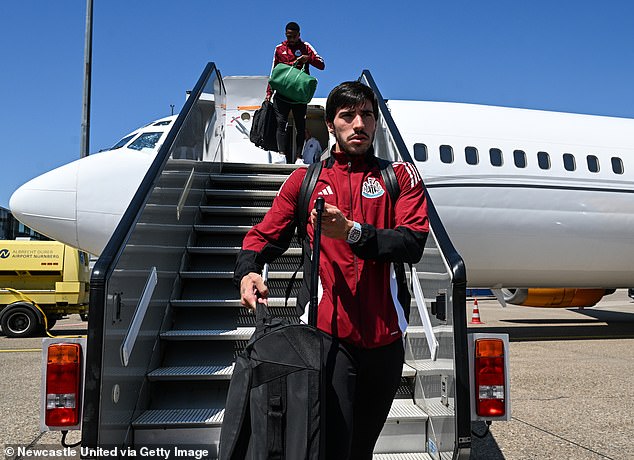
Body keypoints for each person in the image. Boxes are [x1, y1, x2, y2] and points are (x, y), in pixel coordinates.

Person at [234, 81, 429, 459]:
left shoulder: (400, 177)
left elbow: (412, 243)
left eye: (367, 116)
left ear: (376, 124)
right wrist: (248, 270)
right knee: (329, 446)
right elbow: (261, 237)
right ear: (330, 125)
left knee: (361, 447)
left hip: (385, 341)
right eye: (347, 116)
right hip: (326, 341)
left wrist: (353, 232)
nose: (359, 124)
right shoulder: (304, 181)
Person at [266, 21, 325, 163]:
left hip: (298, 95)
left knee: (300, 126)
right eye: (288, 36)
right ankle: (281, 155)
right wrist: (269, 92)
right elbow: (273, 71)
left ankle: (299, 158)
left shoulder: (306, 47)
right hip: (282, 94)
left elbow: (322, 64)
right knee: (281, 124)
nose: (290, 39)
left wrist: (308, 59)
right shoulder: (279, 48)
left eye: (293, 36)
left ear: (299, 35)